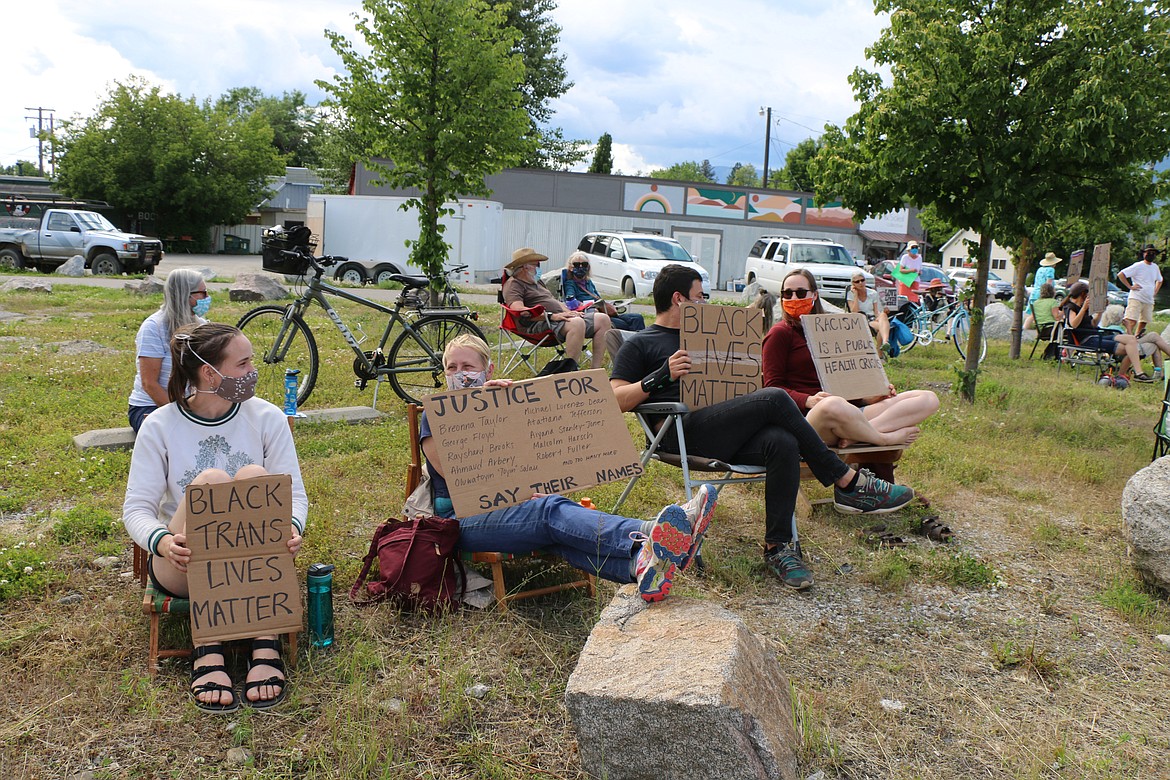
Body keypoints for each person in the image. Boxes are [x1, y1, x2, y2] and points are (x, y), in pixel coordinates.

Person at [610, 264, 915, 591]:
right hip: (678, 432)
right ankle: (847, 481)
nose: (707, 304)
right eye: (701, 297)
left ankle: (778, 547)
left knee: (781, 440)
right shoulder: (641, 344)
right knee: (774, 397)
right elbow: (614, 399)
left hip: (724, 427)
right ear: (679, 299)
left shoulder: (711, 336)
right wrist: (661, 376)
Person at [419, 334, 717, 603]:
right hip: (458, 521)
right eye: (452, 368)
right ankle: (649, 531)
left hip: (508, 509)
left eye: (468, 367)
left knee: (556, 531)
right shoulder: (435, 415)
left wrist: (499, 409)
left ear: (489, 370)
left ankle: (639, 563)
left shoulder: (500, 402)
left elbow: (532, 457)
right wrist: (478, 415)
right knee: (548, 512)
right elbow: (460, 477)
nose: (460, 374)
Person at [122, 323, 307, 713]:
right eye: (243, 364)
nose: (253, 370)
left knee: (256, 479)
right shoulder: (159, 425)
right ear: (210, 372)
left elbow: (295, 496)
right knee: (210, 482)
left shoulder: (267, 417)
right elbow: (136, 508)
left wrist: (292, 527)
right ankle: (207, 645)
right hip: (183, 563)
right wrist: (163, 542)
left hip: (256, 565)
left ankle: (264, 639)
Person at [762, 269, 939, 454]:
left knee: (928, 399)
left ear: (814, 295)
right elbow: (772, 388)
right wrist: (808, 400)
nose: (793, 298)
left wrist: (870, 397)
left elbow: (840, 382)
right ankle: (882, 438)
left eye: (800, 292)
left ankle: (857, 435)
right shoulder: (779, 333)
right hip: (813, 418)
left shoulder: (827, 330)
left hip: (847, 412)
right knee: (830, 404)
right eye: (787, 293)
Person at [127, 269, 209, 432]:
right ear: (185, 295)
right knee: (180, 436)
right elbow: (150, 384)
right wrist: (182, 415)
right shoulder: (153, 328)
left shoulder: (202, 325)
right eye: (203, 293)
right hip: (150, 406)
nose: (207, 298)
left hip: (189, 405)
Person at [503, 247, 612, 370]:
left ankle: (595, 369)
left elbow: (553, 301)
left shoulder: (536, 282)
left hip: (559, 319)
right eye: (536, 264)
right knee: (576, 323)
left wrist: (569, 312)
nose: (539, 268)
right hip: (538, 323)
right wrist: (552, 316)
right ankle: (571, 370)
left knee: (603, 319)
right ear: (524, 267)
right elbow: (520, 311)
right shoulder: (514, 284)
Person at [1059, 281, 1153, 382]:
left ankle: (1137, 373)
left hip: (1096, 335)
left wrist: (1100, 312)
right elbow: (1073, 324)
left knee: (1131, 340)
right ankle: (1125, 374)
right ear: (1082, 295)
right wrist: (1083, 309)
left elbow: (1093, 324)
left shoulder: (1083, 308)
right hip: (1087, 340)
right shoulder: (1070, 307)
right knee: (1131, 349)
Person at [562, 251, 646, 333]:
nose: (580, 267)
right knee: (624, 324)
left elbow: (599, 299)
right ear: (571, 268)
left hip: (603, 312)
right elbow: (571, 302)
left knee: (637, 318)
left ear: (588, 267)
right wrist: (587, 306)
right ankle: (632, 345)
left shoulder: (588, 282)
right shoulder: (570, 284)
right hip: (591, 316)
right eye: (576, 264)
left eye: (584, 264)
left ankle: (640, 345)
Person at [1117, 245, 1163, 336]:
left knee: (1144, 322)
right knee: (1131, 320)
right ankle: (1127, 338)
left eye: (1153, 253)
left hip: (1148, 300)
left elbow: (1160, 280)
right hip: (1136, 297)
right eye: (1149, 252)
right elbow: (1121, 274)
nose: (1151, 255)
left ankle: (1136, 338)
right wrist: (1130, 287)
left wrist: (1155, 291)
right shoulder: (1138, 265)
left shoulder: (1155, 267)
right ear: (1144, 254)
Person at [846, 272, 891, 357]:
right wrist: (855, 296)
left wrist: (882, 313)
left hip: (872, 318)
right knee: (882, 328)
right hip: (860, 319)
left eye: (862, 280)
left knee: (883, 315)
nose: (860, 283)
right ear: (853, 284)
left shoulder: (872, 293)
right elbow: (854, 312)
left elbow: (876, 311)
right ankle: (880, 353)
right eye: (857, 281)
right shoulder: (850, 294)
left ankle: (885, 342)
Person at [1023, 282, 1062, 359]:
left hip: (1041, 330)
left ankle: (1050, 354)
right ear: (1052, 292)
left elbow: (1034, 317)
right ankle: (1057, 355)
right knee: (1068, 331)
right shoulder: (1053, 302)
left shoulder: (1036, 303)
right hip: (1051, 329)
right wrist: (1063, 311)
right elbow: (1057, 317)